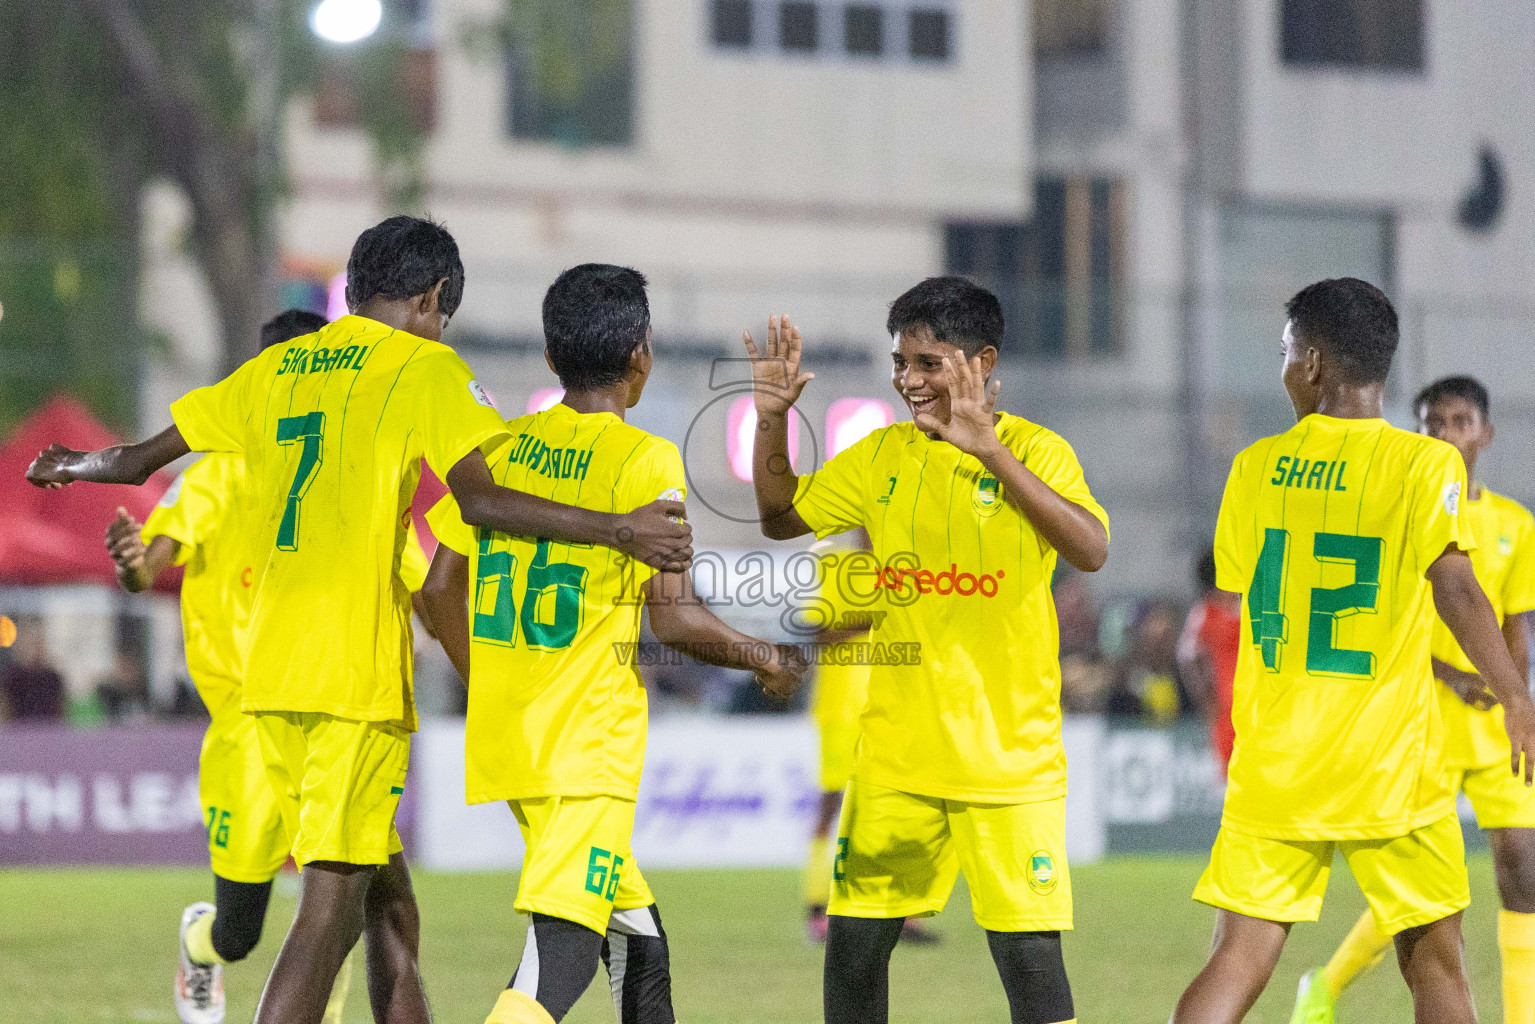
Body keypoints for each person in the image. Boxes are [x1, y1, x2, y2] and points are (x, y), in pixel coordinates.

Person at [25, 217, 695, 1024]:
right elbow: (478, 500)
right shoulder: (424, 367)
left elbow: (138, 458)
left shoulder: (280, 366)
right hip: (352, 681)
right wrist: (621, 528)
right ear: (433, 296)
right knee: (328, 914)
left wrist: (74, 464)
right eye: (443, 313)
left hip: (268, 675)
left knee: (389, 908)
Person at [418, 263, 808, 1024]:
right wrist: (767, 655)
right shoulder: (645, 460)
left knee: (637, 936)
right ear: (642, 356)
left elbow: (436, 590)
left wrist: (497, 682)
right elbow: (674, 620)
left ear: (550, 356)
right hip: (585, 742)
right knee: (563, 948)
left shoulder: (500, 449)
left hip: (511, 738)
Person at [744, 277, 1110, 1024]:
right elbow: (779, 517)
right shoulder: (882, 456)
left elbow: (1091, 547)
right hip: (896, 757)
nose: (907, 380)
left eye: (927, 363)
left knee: (1030, 965)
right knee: (852, 955)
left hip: (1008, 760)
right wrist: (771, 423)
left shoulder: (1038, 449)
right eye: (899, 362)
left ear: (980, 362)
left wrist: (991, 454)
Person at [1169, 278, 1535, 1024]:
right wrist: (1515, 694)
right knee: (1433, 963)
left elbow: (1240, 596)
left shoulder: (1253, 468)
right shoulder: (1421, 465)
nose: (1279, 369)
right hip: (1388, 761)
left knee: (1237, 958)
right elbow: (1457, 589)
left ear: (1309, 362)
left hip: (1275, 756)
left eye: (1281, 353)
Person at [103, 307, 427, 1024]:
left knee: (338, 901)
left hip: (335, 710)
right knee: (240, 932)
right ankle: (201, 941)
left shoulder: (358, 478)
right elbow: (150, 562)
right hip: (248, 730)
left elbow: (421, 581)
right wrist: (132, 566)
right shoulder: (219, 475)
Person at [1290, 374, 1535, 1024]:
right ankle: (1324, 984)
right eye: (1431, 422)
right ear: (1416, 429)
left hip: (1490, 729)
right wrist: (1453, 677)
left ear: (1482, 434)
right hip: (1414, 719)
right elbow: (1379, 618)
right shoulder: (1398, 506)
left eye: (1457, 422)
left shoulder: (1513, 523)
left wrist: (1515, 692)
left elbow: (1516, 622)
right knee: (1423, 893)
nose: (1444, 433)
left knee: (1523, 865)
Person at [799, 533, 939, 946]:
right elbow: (819, 634)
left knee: (905, 804)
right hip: (842, 708)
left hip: (896, 706)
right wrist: (875, 618)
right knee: (835, 805)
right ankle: (817, 908)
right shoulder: (837, 568)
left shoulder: (908, 570)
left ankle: (902, 909)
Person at [1177, 549, 1241, 778]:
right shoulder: (1205, 613)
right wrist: (1205, 698)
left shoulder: (1252, 607)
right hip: (1226, 711)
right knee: (1232, 777)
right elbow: (1186, 656)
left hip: (1259, 705)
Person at [0, 619, 65, 721]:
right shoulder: (11, 676)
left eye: (38, 643)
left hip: (49, 731)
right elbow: (5, 710)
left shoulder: (52, 677)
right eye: (31, 644)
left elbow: (60, 709)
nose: (35, 649)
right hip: (17, 732)